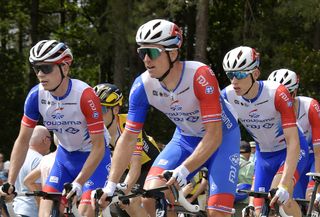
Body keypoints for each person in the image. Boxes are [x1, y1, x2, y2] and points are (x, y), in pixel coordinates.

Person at [95, 19, 240, 217]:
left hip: (222, 139)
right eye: (141, 52)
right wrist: (111, 185)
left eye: (152, 52)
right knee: (151, 197)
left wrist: (183, 170)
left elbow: (214, 135)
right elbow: (128, 137)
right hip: (185, 138)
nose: (146, 59)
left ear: (173, 53)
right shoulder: (143, 86)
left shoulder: (200, 75)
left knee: (217, 212)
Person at [0, 39, 111, 217]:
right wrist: (10, 182)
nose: (40, 74)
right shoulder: (36, 96)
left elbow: (99, 146)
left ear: (65, 68)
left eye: (46, 68)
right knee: (46, 210)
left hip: (93, 157)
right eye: (36, 68)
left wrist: (79, 182)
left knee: (85, 210)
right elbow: (22, 141)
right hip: (64, 157)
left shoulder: (85, 95)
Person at [221, 46, 308, 217]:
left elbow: (293, 142)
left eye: (239, 74)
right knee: (256, 211)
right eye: (230, 75)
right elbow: (220, 134)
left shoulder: (277, 93)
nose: (234, 81)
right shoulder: (228, 96)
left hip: (290, 150)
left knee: (280, 196)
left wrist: (284, 184)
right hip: (264, 155)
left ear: (255, 74)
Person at [93, 83, 160, 217]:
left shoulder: (128, 125)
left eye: (102, 109)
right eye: (94, 110)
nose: (97, 115)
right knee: (115, 207)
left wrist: (124, 191)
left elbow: (135, 166)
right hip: (123, 167)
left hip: (147, 164)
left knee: (130, 201)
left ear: (115, 110)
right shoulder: (94, 130)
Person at [268, 69, 320, 200]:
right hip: (295, 158)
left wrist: (317, 188)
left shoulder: (310, 107)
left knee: (311, 198)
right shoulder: (271, 112)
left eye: (288, 94)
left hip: (315, 157)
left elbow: (319, 152)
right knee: (286, 201)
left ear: (295, 92)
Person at [13, 125, 51, 217]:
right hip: (32, 211)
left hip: (17, 208)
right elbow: (37, 190)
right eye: (50, 138)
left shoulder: (18, 158)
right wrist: (42, 212)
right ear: (45, 140)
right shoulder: (40, 160)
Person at [24, 134, 59, 217]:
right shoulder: (69, 161)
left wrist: (41, 199)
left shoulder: (46, 159)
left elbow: (27, 181)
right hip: (59, 209)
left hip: (45, 208)